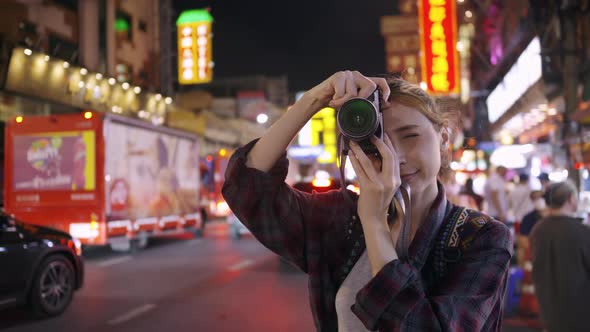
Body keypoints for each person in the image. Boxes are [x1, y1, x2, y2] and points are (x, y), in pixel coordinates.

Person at [222, 71, 512, 331]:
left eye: (410, 136)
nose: (394, 157)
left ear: (443, 137)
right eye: (375, 143)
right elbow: (248, 189)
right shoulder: (340, 218)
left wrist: (374, 223)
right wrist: (313, 100)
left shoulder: (479, 237)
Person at [530, 180, 590, 332]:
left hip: (548, 306)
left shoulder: (538, 229)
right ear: (571, 199)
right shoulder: (582, 231)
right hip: (580, 309)